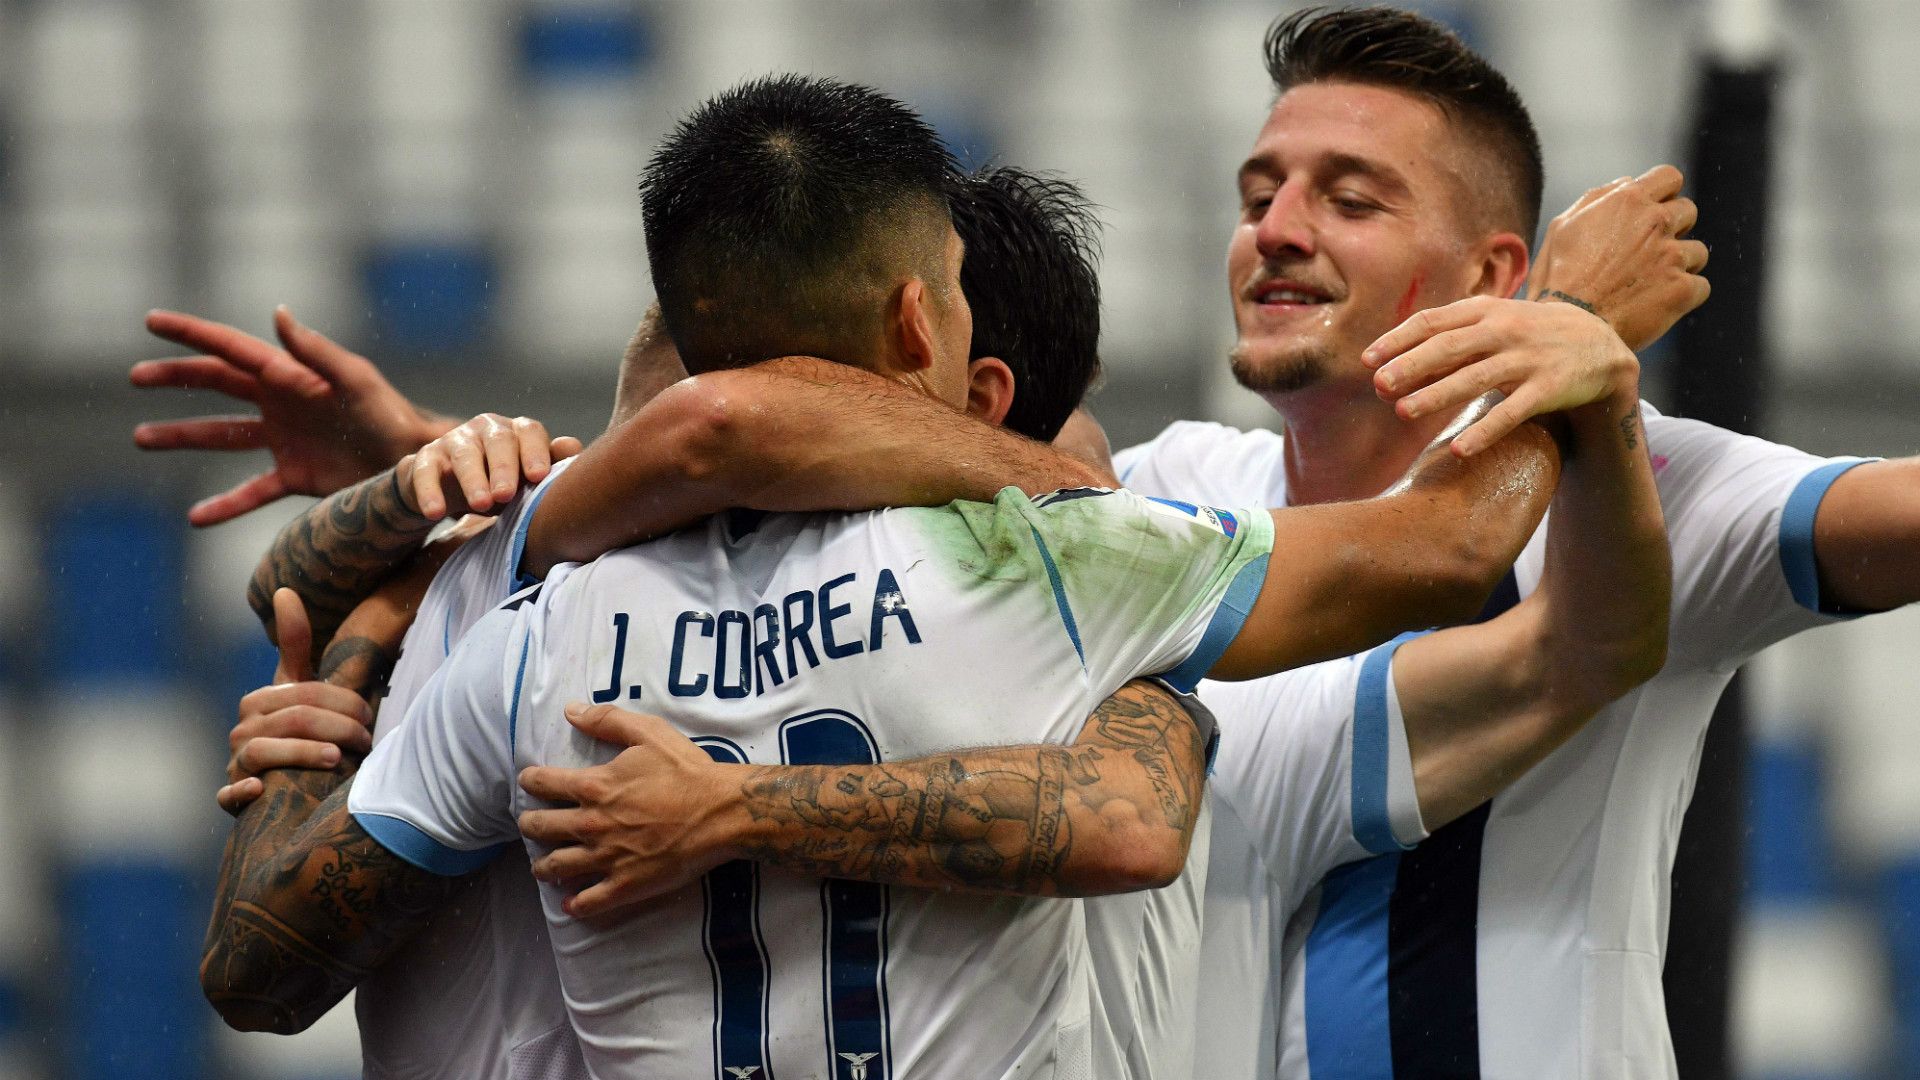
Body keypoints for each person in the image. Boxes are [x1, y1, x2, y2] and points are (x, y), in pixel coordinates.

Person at [192, 74, 1564, 1080]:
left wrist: (349, 674)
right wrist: (1564, 333)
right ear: (921, 321)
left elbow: (258, 966)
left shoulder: (526, 630)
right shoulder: (1066, 570)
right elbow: (1451, 546)